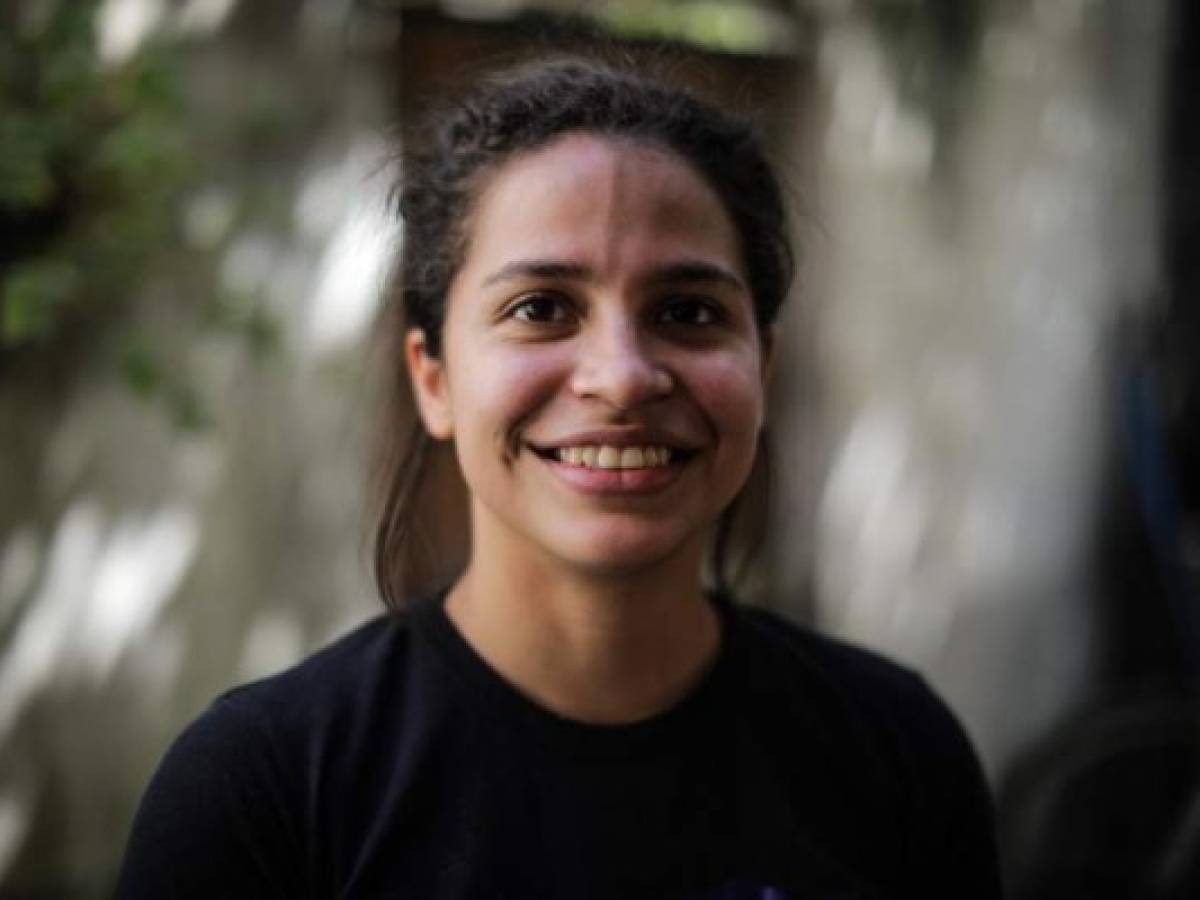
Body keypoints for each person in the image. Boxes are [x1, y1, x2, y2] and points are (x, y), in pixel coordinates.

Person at [116, 56, 1002, 899]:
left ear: (762, 370)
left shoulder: (896, 752)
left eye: (688, 312)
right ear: (433, 378)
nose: (620, 376)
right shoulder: (260, 794)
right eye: (540, 309)